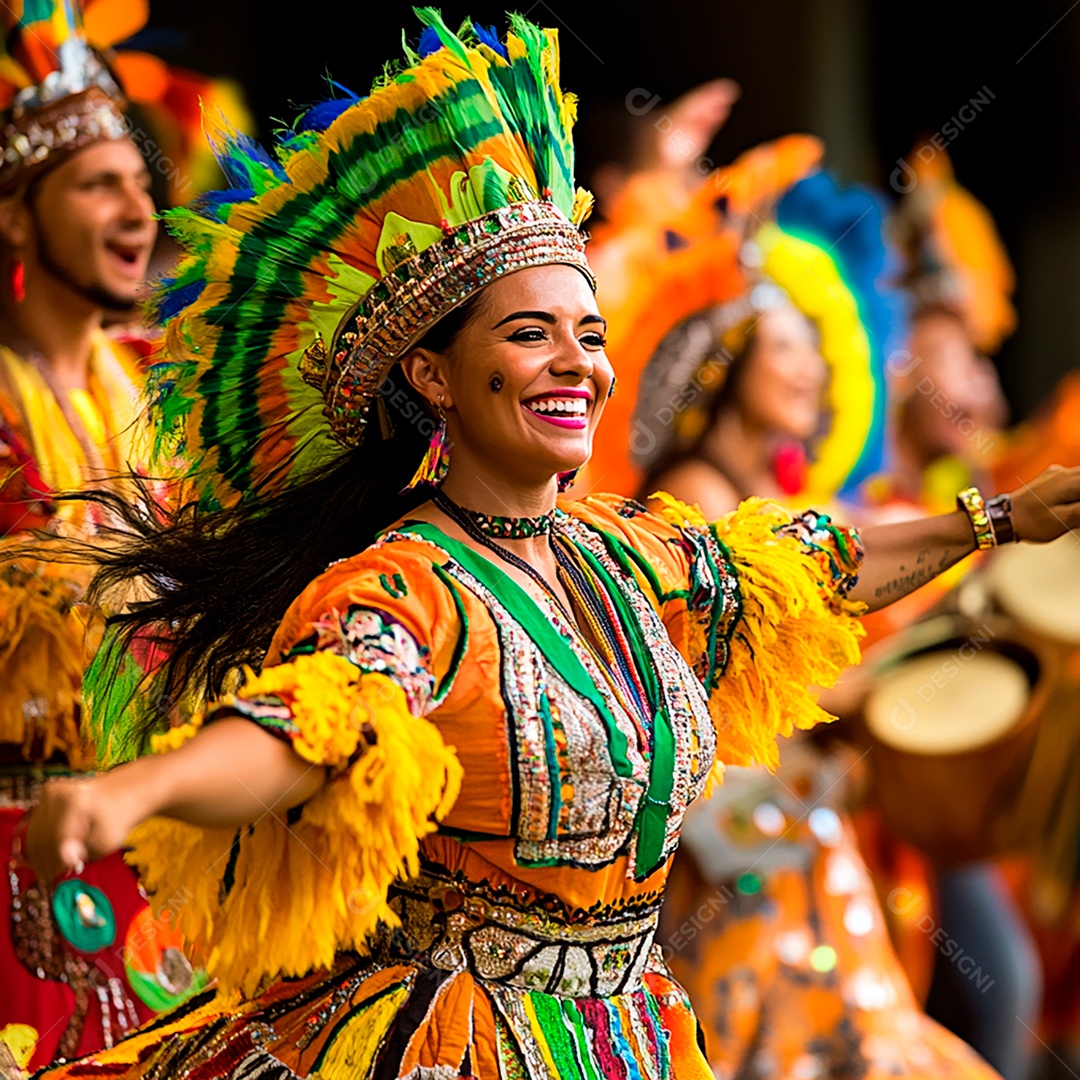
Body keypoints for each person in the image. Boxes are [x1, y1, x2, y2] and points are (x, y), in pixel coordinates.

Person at [16, 15, 1080, 1080]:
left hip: (632, 1038)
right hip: (456, 1044)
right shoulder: (409, 580)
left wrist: (996, 520)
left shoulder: (625, 555)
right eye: (529, 333)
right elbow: (313, 722)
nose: (576, 364)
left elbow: (816, 573)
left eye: (589, 334)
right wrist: (136, 793)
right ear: (432, 376)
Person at [0, 1, 205, 1070]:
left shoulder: (158, 387)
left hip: (153, 850)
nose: (139, 207)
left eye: (141, 181)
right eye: (98, 184)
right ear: (18, 219)